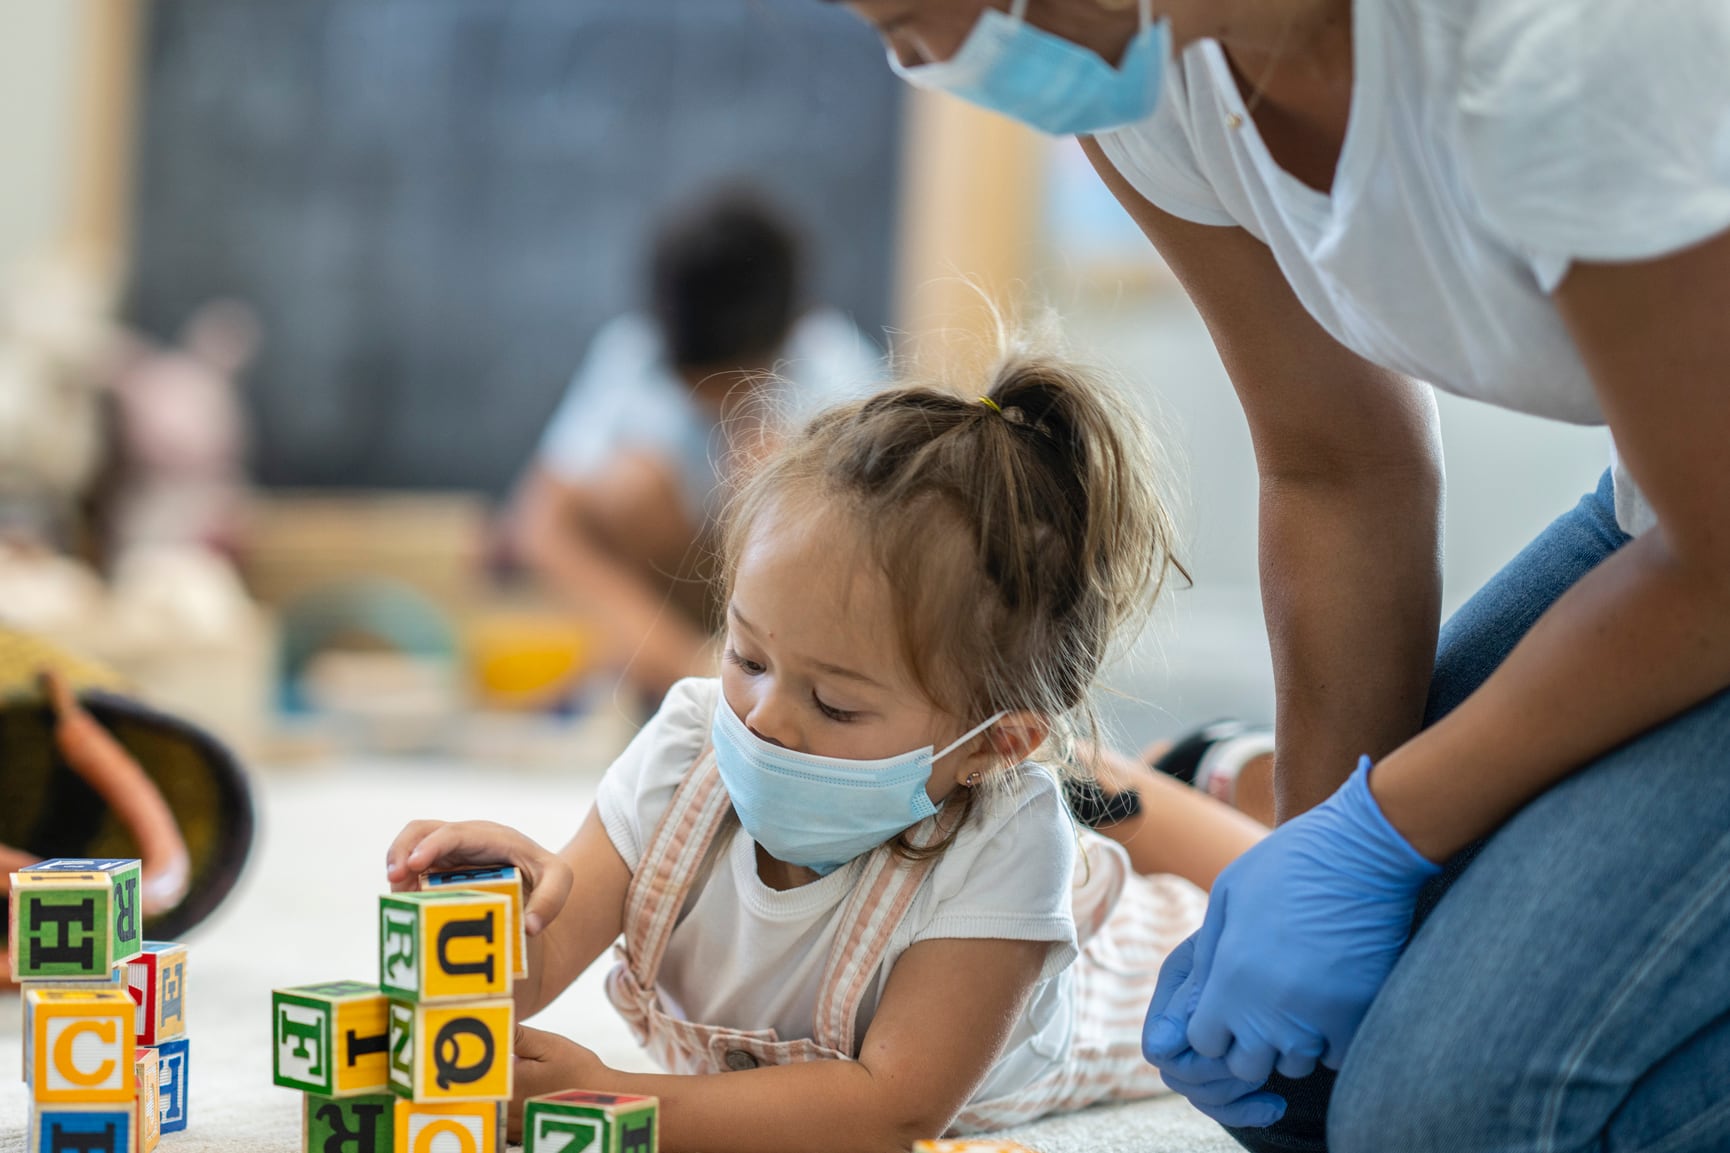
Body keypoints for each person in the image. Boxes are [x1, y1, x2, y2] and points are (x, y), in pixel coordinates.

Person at [840, 1, 1730, 1150]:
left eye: (909, 15)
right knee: (1314, 1084)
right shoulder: (1144, 74)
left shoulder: (1552, 44)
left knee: (1440, 1116)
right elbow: (1334, 466)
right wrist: (1318, 848)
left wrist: (1371, 833)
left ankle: (1230, 770)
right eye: (746, 662)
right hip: (1672, 502)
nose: (911, 59)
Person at [387, 341, 1267, 1149]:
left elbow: (891, 1106)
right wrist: (500, 913)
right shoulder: (693, 742)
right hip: (995, 779)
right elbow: (510, 993)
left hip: (1131, 941)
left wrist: (624, 1098)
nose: (763, 716)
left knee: (1267, 905)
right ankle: (1149, 776)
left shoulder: (1006, 835)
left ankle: (1197, 774)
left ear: (991, 741)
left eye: (835, 704)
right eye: (747, 656)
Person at [512, 190, 883, 706]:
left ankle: (759, 670)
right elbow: (540, 523)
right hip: (677, 626)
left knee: (784, 474)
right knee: (633, 486)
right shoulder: (635, 354)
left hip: (784, 620)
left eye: (731, 384)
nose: (712, 404)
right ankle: (692, 672)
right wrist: (663, 648)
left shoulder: (835, 371)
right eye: (697, 386)